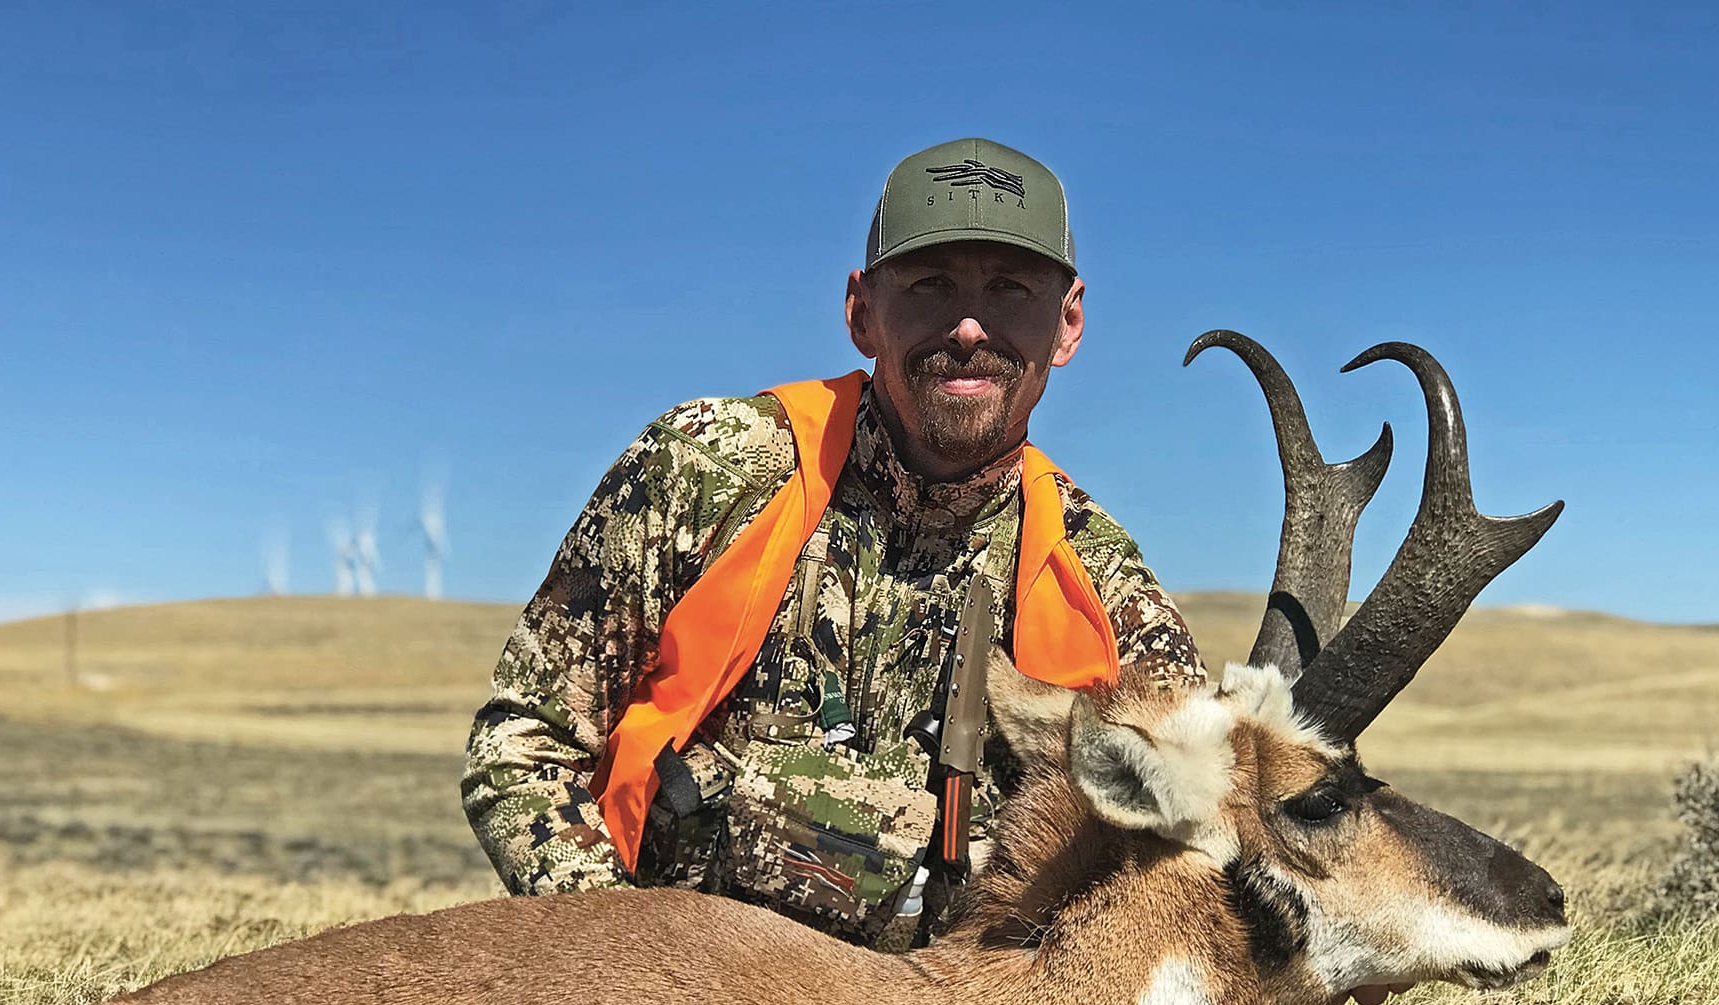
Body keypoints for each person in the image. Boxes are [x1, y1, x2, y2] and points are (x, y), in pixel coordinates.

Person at [462, 138, 1205, 947]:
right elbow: (521, 748)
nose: (966, 327)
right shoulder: (709, 470)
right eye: (929, 284)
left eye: (1009, 288)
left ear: (1068, 323)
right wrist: (618, 963)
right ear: (861, 311)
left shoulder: (1107, 597)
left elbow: (1193, 863)